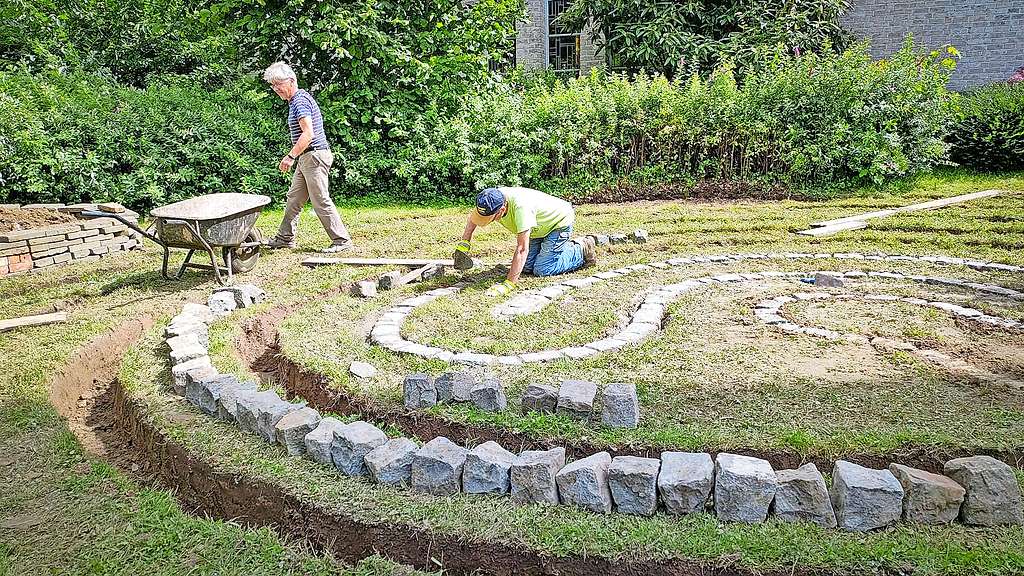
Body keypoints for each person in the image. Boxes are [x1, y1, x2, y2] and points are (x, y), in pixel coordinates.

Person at [262, 62, 353, 253]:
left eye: (278, 83)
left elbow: (308, 133)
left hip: (314, 156)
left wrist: (290, 156)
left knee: (320, 200)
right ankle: (285, 238)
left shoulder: (300, 101)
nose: (275, 88)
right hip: (307, 158)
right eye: (273, 84)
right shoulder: (295, 101)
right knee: (294, 199)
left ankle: (342, 241)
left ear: (292, 80)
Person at [454, 186, 596, 296]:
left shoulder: (521, 208)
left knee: (543, 269)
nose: (486, 222)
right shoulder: (489, 199)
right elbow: (473, 220)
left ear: (502, 210)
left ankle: (581, 249)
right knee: (527, 268)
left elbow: (522, 249)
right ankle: (550, 249)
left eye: (491, 218)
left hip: (557, 223)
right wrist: (463, 245)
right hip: (537, 228)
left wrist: (509, 284)